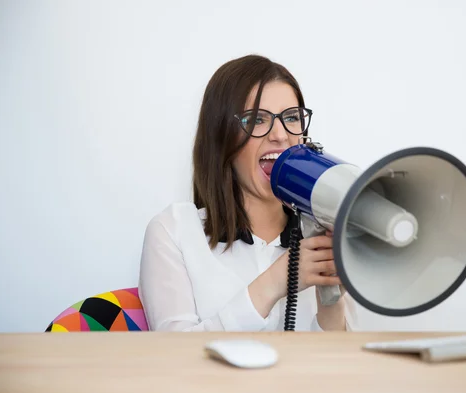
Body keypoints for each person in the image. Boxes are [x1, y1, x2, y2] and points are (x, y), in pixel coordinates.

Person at [138, 54, 358, 332]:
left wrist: (331, 303)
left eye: (291, 117)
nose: (280, 135)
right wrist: (276, 281)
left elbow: (340, 369)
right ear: (222, 137)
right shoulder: (174, 231)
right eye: (257, 119)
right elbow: (175, 356)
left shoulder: (322, 231)